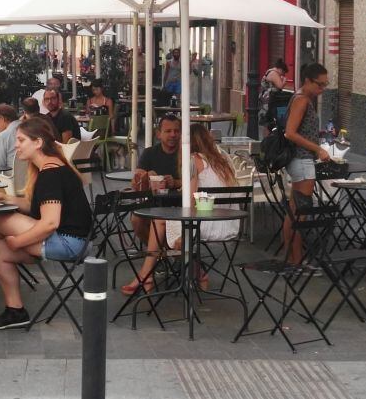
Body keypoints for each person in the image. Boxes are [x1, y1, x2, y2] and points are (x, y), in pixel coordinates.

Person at [0, 116, 92, 329]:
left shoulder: (51, 173)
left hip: (70, 243)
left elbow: (50, 223)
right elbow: (34, 208)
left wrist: (18, 242)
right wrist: (4, 197)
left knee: (1, 219)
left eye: (21, 140)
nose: (16, 145)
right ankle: (15, 310)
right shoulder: (50, 168)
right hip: (71, 241)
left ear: (38, 143)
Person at [122, 124, 238, 295]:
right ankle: (197, 272)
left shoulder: (193, 160)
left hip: (205, 225)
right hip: (229, 224)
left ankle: (146, 274)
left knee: (159, 222)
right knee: (168, 228)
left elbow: (189, 203)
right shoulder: (224, 161)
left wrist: (181, 189)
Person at [283, 63, 330, 264]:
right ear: (308, 81)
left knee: (295, 211)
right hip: (302, 160)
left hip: (301, 160)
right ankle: (296, 260)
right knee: (299, 214)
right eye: (320, 85)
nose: (322, 90)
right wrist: (317, 148)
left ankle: (293, 259)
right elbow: (290, 133)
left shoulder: (299, 98)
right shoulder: (302, 100)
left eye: (325, 85)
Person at [131, 114, 182, 241]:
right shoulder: (149, 153)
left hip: (181, 204)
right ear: (158, 134)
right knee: (136, 220)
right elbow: (135, 182)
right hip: (153, 203)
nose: (173, 135)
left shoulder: (186, 153)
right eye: (168, 131)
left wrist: (175, 183)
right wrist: (146, 177)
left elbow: (197, 180)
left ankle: (159, 253)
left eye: (176, 131)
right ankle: (159, 252)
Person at [258, 59, 289, 129]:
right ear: (281, 69)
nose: (283, 75)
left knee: (268, 121)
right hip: (269, 100)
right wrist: (284, 81)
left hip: (268, 99)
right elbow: (280, 85)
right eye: (283, 73)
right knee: (268, 121)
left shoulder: (270, 71)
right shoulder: (274, 73)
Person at [0, 104, 20, 170]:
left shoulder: (3, 136)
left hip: (9, 177)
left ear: (2, 118)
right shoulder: (29, 129)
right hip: (31, 176)